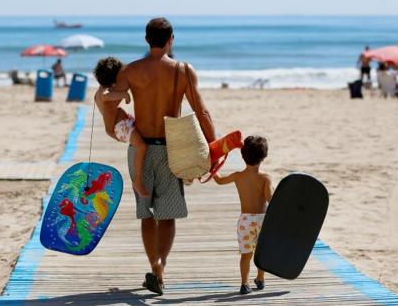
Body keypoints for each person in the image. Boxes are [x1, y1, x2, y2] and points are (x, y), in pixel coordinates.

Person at [105, 17, 216, 295]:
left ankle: (153, 263)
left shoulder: (130, 71)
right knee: (167, 216)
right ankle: (161, 266)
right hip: (171, 149)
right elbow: (202, 112)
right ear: (171, 40)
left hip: (140, 147)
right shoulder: (183, 70)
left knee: (146, 214)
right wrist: (213, 149)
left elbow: (109, 103)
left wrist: (117, 117)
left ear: (146, 39)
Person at [213, 135, 273, 295]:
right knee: (262, 252)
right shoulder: (265, 178)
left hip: (245, 221)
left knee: (246, 254)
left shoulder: (238, 176)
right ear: (264, 156)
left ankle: (245, 283)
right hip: (262, 220)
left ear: (242, 155)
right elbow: (270, 200)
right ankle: (260, 278)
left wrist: (213, 166)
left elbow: (219, 180)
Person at [93, 56, 149, 198]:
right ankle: (137, 181)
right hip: (119, 128)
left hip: (122, 125)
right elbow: (106, 96)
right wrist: (124, 94)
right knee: (142, 146)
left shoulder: (99, 91)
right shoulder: (106, 93)